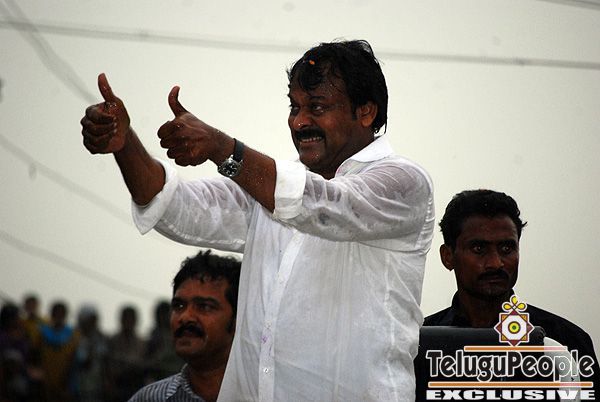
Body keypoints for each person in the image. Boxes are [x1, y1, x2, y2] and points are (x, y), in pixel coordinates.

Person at [81, 39, 435, 401]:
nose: (300, 122)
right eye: (294, 107)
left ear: (366, 112)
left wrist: (222, 148)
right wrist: (124, 145)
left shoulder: (403, 183)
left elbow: (327, 206)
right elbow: (176, 208)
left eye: (317, 107)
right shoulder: (269, 188)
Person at [424, 189, 599, 393]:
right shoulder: (419, 344)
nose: (495, 263)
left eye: (506, 249)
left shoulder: (565, 341)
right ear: (448, 256)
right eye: (479, 249)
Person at [129, 249, 241, 402]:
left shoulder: (267, 394)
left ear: (238, 320)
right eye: (179, 306)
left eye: (204, 306)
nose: (185, 317)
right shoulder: (150, 399)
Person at [105, 305, 146, 401]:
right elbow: (108, 367)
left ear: (135, 321)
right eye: (126, 318)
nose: (128, 322)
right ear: (121, 320)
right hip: (117, 387)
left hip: (135, 387)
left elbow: (142, 363)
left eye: (131, 319)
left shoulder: (142, 342)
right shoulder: (112, 341)